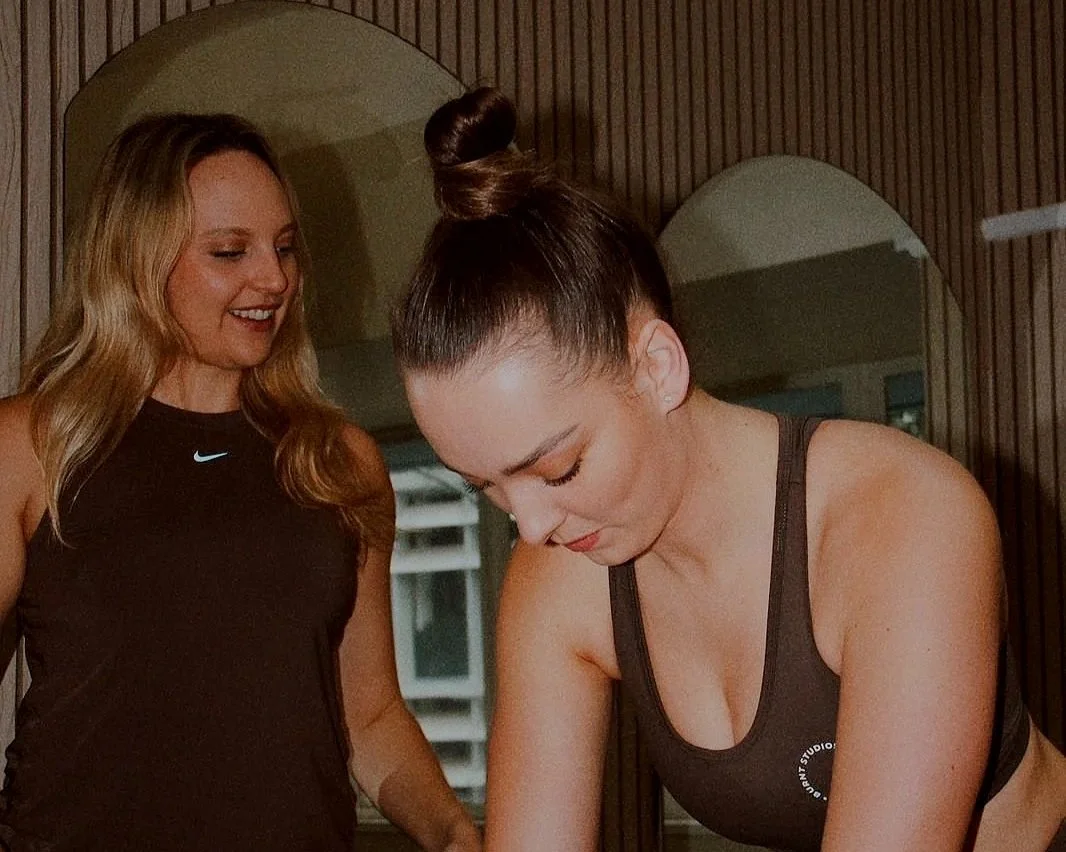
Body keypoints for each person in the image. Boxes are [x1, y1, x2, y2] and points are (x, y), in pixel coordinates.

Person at [391, 87, 1066, 852]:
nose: (533, 526)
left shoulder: (904, 520)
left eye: (559, 467)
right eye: (486, 489)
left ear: (657, 367)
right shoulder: (560, 578)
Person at [0, 112, 481, 852]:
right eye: (231, 251)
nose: (275, 279)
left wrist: (454, 833)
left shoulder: (339, 463)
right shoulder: (32, 445)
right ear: (135, 261)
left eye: (285, 248)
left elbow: (370, 715)